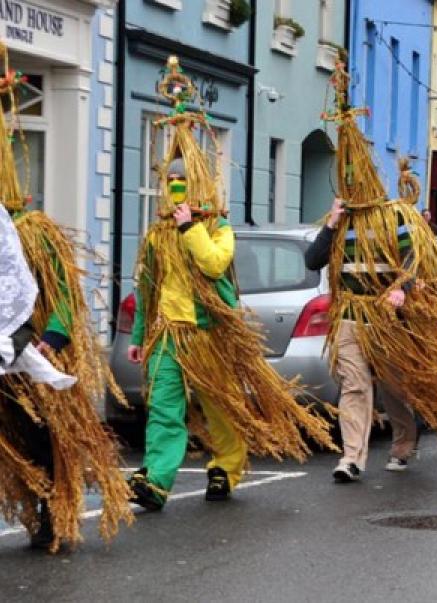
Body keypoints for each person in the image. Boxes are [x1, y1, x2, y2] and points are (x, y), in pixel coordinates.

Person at [126, 57, 334, 511]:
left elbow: (216, 264)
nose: (176, 188)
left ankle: (226, 464)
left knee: (217, 404)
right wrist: (140, 336)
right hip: (167, 336)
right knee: (163, 410)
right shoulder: (157, 233)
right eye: (171, 181)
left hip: (207, 334)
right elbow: (147, 287)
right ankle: (156, 483)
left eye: (183, 181)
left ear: (196, 185)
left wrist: (190, 228)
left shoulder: (216, 228)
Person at [309, 62, 437, 482]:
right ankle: (351, 458)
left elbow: (414, 261)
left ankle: (404, 441)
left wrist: (403, 289)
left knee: (396, 386)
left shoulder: (393, 218)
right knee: (355, 387)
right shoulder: (338, 223)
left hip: (389, 316)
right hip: (350, 317)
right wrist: (329, 224)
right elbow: (313, 261)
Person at [0, 44, 133, 552]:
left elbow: (61, 294)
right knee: (12, 438)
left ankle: (52, 510)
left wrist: (51, 339)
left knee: (43, 436)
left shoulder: (36, 234)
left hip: (33, 351)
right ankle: (34, 502)